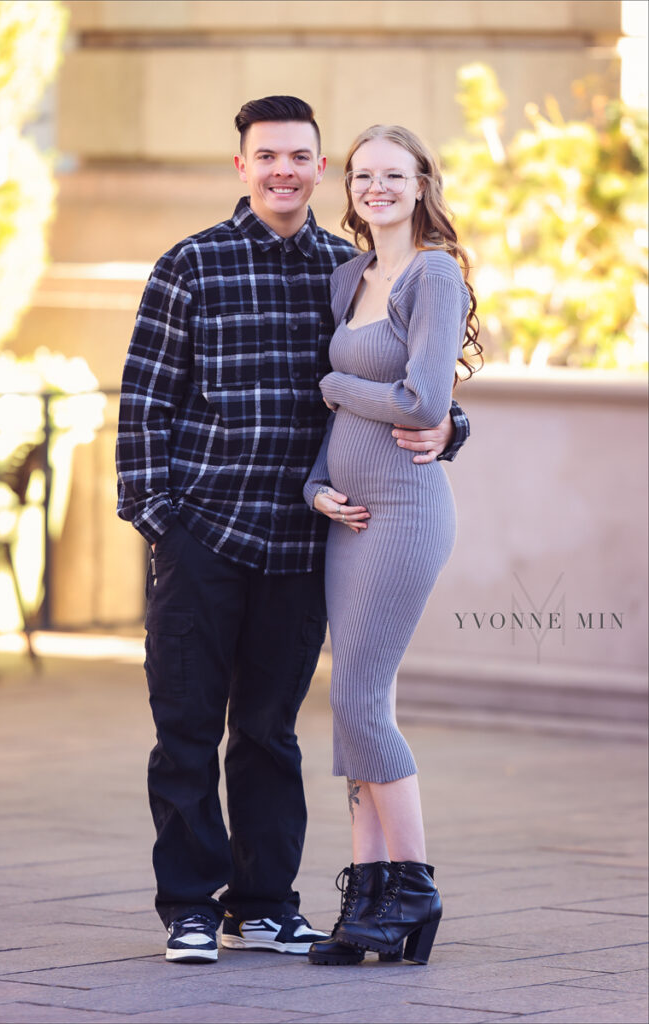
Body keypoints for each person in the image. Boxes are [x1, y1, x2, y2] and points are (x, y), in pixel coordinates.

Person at [116, 96, 470, 965]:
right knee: (189, 728)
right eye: (265, 155)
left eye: (300, 156)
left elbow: (410, 373)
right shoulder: (190, 266)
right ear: (242, 166)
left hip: (304, 540)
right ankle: (192, 906)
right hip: (203, 532)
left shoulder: (343, 269)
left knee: (272, 732)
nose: (282, 169)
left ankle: (265, 903)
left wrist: (452, 428)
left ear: (320, 171)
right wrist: (159, 522)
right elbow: (141, 406)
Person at [304, 125, 482, 967]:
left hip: (406, 511)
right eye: (362, 174)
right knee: (351, 705)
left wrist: (338, 387)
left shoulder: (432, 273)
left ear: (420, 185)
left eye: (392, 174)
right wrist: (314, 486)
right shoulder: (351, 274)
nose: (375, 187)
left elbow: (420, 401)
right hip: (350, 517)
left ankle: (411, 884)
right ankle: (369, 893)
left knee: (363, 702)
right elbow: (330, 421)